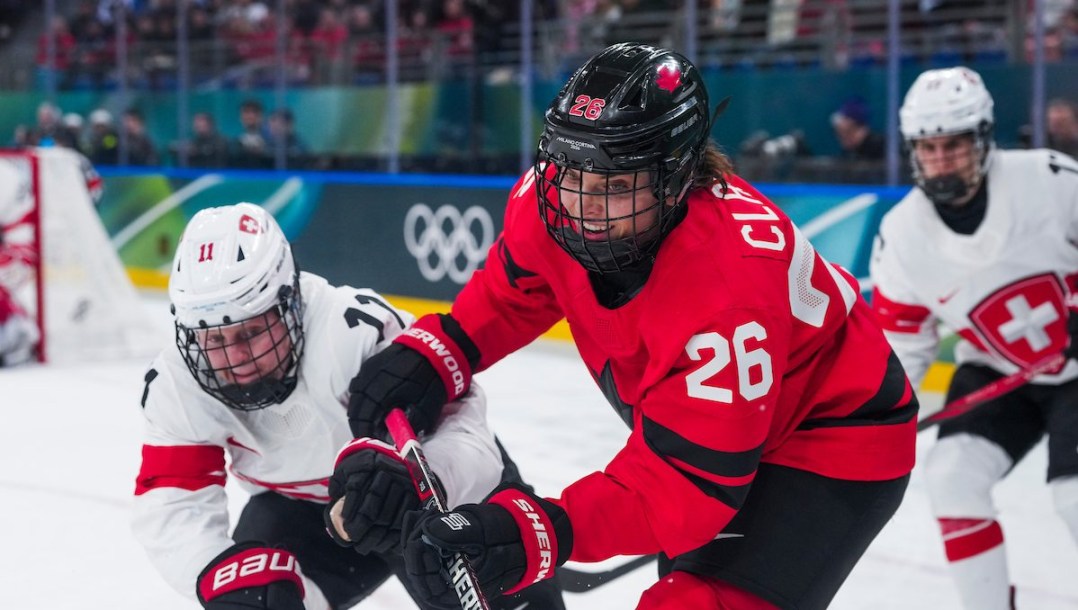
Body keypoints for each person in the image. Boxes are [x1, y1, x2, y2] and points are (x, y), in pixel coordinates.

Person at [340, 42, 917, 609]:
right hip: (717, 430)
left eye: (615, 184)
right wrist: (446, 348)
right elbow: (520, 288)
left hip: (827, 440)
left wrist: (541, 532)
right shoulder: (556, 197)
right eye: (572, 171)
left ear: (676, 178)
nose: (584, 202)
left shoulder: (726, 290)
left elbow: (688, 483)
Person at [132, 203, 564, 610]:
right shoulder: (176, 381)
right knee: (253, 597)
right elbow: (173, 498)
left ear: (290, 301)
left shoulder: (353, 333)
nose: (234, 359)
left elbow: (469, 434)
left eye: (249, 333)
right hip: (302, 511)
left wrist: (425, 479)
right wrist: (211, 571)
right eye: (214, 340)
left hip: (425, 494)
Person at [869, 66, 1078, 609]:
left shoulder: (1052, 180)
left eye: (954, 146)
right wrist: (880, 418)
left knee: (1073, 496)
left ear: (983, 139)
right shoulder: (902, 234)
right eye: (928, 147)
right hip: (997, 369)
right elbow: (902, 347)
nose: (940, 160)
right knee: (952, 478)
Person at [830, 95, 885, 161]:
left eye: (848, 132)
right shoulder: (849, 153)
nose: (843, 138)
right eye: (840, 134)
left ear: (863, 129)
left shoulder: (881, 148)